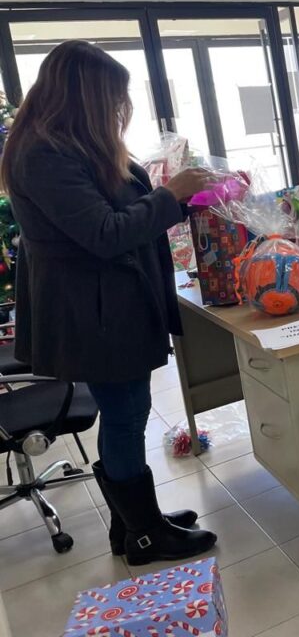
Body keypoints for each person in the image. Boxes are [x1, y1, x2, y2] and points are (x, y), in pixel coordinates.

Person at [0, 41, 220, 566]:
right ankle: (145, 537)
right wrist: (170, 195)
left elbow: (114, 210)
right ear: (86, 95)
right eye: (115, 98)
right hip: (93, 312)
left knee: (128, 414)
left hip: (108, 305)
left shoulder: (73, 146)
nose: (121, 108)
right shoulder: (44, 154)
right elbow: (104, 233)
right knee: (125, 415)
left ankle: (133, 524)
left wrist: (170, 195)